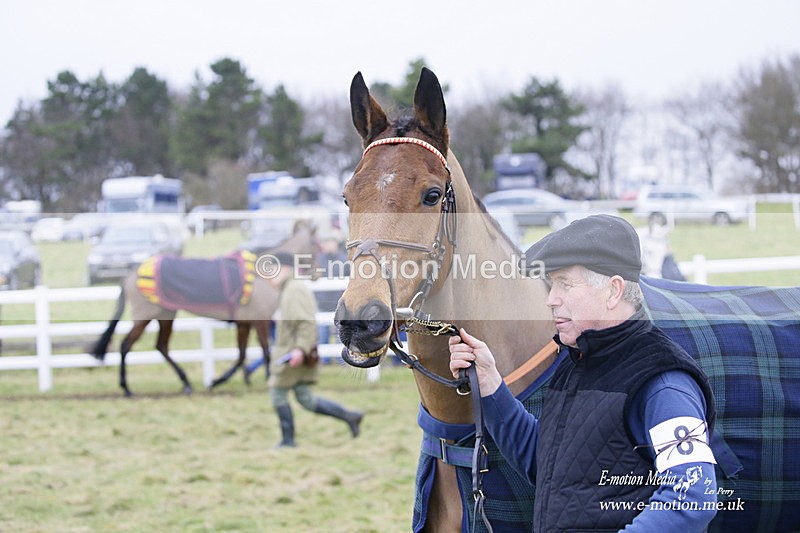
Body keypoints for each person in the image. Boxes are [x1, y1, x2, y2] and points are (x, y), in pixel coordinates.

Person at [449, 215, 718, 532]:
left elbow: (694, 496)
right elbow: (550, 465)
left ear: (613, 291)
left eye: (564, 283)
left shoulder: (663, 384)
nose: (551, 299)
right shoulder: (577, 362)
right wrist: (491, 384)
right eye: (552, 284)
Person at [266, 251, 363, 448]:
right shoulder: (290, 288)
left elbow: (305, 324)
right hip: (291, 352)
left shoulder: (294, 290)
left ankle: (288, 441)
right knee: (306, 399)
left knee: (278, 393)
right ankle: (349, 416)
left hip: (291, 354)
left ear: (285, 269)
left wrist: (299, 350)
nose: (269, 277)